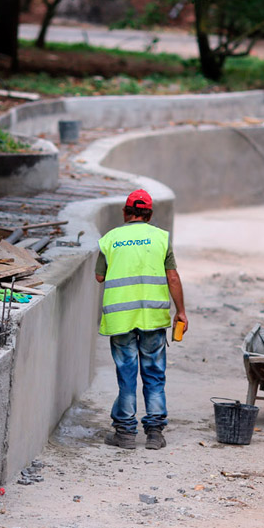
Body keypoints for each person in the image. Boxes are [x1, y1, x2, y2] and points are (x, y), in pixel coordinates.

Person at [95, 189, 188, 450]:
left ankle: (125, 433)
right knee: (154, 375)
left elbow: (100, 277)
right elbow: (172, 278)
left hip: (121, 318)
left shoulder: (110, 239)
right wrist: (180, 311)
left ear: (125, 212)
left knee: (127, 375)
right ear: (149, 214)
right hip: (153, 317)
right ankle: (155, 434)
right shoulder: (160, 239)